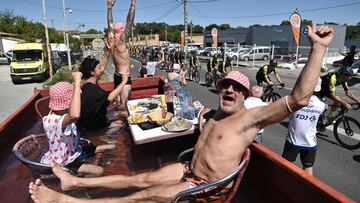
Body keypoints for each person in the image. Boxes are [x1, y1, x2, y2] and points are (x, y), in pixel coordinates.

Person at [29, 23, 334, 203]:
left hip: (204, 187)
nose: (228, 91)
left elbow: (299, 98)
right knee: (140, 176)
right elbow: (193, 122)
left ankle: (65, 200)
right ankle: (77, 183)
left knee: (141, 195)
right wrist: (195, 112)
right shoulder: (213, 115)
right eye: (224, 87)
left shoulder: (251, 119)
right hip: (189, 169)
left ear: (245, 95)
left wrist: (317, 49)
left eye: (235, 89)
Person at [40, 72, 104, 176]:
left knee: (105, 147)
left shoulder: (62, 115)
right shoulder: (52, 120)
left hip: (72, 153)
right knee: (99, 171)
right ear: (66, 104)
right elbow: (75, 115)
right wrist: (78, 81)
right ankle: (79, 186)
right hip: (62, 163)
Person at [282, 78, 326, 175]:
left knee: (285, 166)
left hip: (293, 140)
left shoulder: (295, 101)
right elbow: (324, 109)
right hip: (310, 142)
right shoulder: (322, 104)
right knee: (308, 168)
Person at [108, 0, 135, 110]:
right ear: (123, 31)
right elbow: (130, 21)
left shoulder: (111, 40)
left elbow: (109, 23)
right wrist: (133, 4)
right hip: (124, 76)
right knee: (125, 106)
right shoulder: (122, 41)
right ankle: (125, 127)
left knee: (118, 103)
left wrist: (109, 8)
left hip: (116, 75)